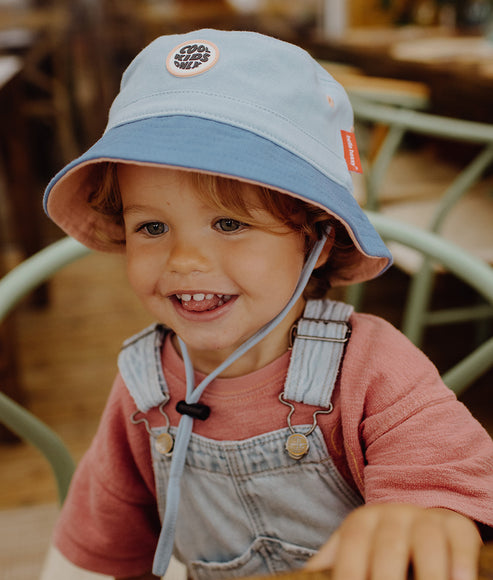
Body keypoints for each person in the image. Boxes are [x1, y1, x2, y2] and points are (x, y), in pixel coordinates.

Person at [42, 29, 493, 580]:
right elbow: (97, 551)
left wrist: (426, 515)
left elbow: (446, 481)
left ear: (317, 239)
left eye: (229, 223)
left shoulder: (372, 368)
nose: (183, 261)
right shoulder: (144, 389)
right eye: (152, 226)